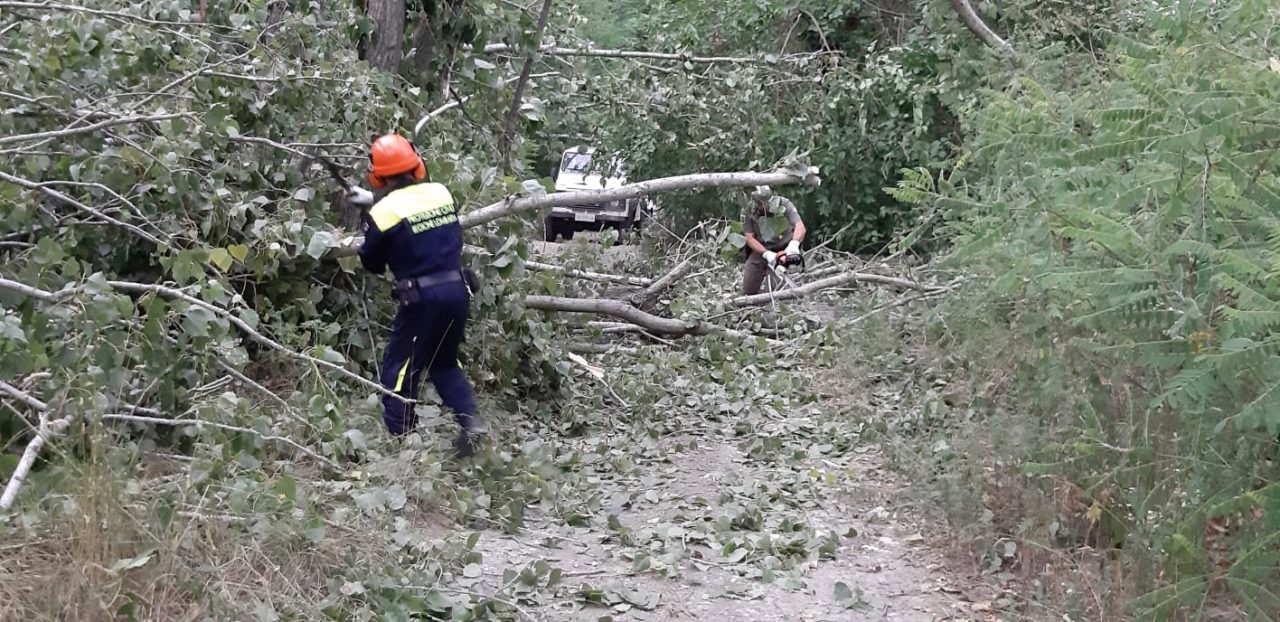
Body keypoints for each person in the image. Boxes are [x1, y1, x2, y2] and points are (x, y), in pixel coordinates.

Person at [345, 133, 486, 457]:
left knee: (398, 370)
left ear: (378, 175)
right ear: (416, 165)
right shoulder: (440, 193)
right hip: (457, 291)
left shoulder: (384, 213)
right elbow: (410, 209)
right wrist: (373, 200)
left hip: (422, 300)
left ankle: (402, 447)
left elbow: (373, 263)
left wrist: (371, 222)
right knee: (444, 364)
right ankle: (471, 423)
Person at [740, 185, 805, 295]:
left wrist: (794, 244)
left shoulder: (784, 204)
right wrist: (766, 254)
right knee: (748, 289)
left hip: (785, 247)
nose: (765, 205)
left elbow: (800, 226)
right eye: (761, 203)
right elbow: (750, 238)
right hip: (761, 249)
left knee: (775, 290)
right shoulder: (748, 211)